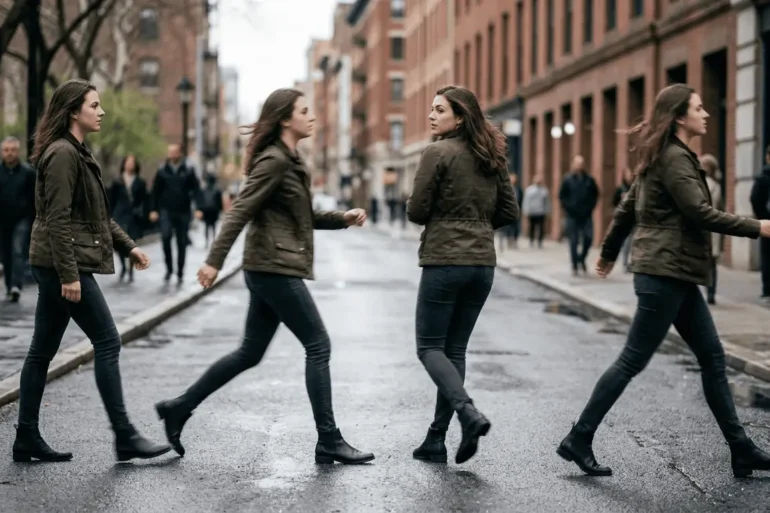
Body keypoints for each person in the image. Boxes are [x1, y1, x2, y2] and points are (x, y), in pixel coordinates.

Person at [557, 84, 770, 478]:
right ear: (679, 117)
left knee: (712, 358)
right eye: (699, 108)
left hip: (674, 273)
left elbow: (625, 209)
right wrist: (758, 227)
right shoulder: (674, 158)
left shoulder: (665, 156)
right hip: (665, 273)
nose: (706, 114)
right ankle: (579, 437)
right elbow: (699, 212)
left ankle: (740, 448)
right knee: (632, 360)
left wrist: (606, 252)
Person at [153, 88, 375, 465]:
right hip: (273, 268)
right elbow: (239, 211)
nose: (312, 116)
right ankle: (329, 440)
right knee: (318, 345)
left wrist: (342, 218)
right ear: (286, 119)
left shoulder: (290, 160)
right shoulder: (274, 161)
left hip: (268, 267)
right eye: (305, 111)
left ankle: (179, 407)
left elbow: (302, 217)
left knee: (249, 353)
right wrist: (213, 261)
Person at [13, 79, 170, 463]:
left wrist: (129, 246)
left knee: (41, 352)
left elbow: (96, 217)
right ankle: (125, 436)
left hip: (56, 263)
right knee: (107, 341)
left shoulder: (77, 151)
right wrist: (69, 275)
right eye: (94, 105)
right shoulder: (64, 154)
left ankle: (26, 438)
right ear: (73, 111)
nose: (101, 112)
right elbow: (57, 220)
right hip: (63, 265)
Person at [407, 85, 519, 465]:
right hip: (482, 265)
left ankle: (468, 414)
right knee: (455, 350)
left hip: (444, 262)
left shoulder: (436, 153)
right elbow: (509, 212)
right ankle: (436, 438)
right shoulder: (493, 157)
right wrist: (478, 229)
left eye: (439, 110)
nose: (431, 115)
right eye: (432, 109)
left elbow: (417, 210)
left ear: (460, 117)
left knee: (429, 348)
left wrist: (445, 220)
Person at [148, 144, 203, 283]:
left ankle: (180, 271)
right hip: (166, 211)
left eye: (174, 152)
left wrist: (198, 208)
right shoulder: (162, 171)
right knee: (166, 237)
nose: (172, 154)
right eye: (170, 152)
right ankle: (169, 269)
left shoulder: (188, 171)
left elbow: (196, 190)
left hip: (183, 211)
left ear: (179, 154)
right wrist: (153, 209)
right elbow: (155, 192)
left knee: (182, 241)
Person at [0, 136, 36, 302]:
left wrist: (34, 220)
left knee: (17, 249)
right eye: (6, 150)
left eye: (13, 150)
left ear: (18, 151)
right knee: (6, 253)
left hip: (22, 219)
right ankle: (9, 285)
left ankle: (16, 285)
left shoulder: (28, 173)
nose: (10, 154)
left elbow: (34, 198)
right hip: (3, 220)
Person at [109, 154, 148, 283]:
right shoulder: (117, 181)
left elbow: (144, 199)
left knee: (131, 242)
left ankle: (130, 268)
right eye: (128, 162)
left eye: (133, 162)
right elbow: (111, 199)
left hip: (133, 216)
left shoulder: (140, 182)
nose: (130, 164)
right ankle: (123, 267)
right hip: (119, 214)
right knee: (118, 242)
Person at [559, 155, 599, 276]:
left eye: (581, 163)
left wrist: (590, 208)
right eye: (577, 163)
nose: (579, 166)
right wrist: (568, 208)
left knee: (588, 238)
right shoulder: (567, 179)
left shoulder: (589, 179)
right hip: (572, 215)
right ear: (573, 165)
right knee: (574, 241)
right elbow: (562, 196)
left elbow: (595, 195)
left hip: (586, 215)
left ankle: (581, 259)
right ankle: (575, 265)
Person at [700, 154, 723, 305]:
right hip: (713, 228)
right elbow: (721, 208)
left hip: (701, 227)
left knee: (703, 262)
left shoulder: (698, 184)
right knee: (712, 264)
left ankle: (707, 291)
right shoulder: (716, 186)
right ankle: (711, 292)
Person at [750, 145, 770, 305]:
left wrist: (763, 217)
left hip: (768, 223)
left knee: (767, 257)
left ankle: (767, 292)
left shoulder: (763, 177)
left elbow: (755, 200)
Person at [612, 167, 635, 272]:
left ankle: (631, 262)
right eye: (627, 175)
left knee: (633, 241)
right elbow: (614, 202)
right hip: (624, 218)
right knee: (627, 241)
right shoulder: (620, 189)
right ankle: (625, 263)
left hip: (634, 217)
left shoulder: (634, 188)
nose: (629, 177)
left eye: (630, 175)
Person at [522, 172, 550, 248]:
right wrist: (526, 210)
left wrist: (547, 211)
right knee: (532, 227)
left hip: (541, 212)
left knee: (541, 227)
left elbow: (547, 202)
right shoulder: (529, 190)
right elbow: (526, 201)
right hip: (532, 212)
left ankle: (540, 241)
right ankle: (531, 240)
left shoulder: (544, 190)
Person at [199, 173, 223, 247]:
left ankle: (208, 242)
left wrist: (201, 209)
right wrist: (220, 210)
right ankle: (212, 241)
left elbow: (201, 201)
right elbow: (219, 202)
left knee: (207, 227)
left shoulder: (204, 190)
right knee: (213, 227)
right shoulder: (217, 190)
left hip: (207, 211)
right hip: (213, 211)